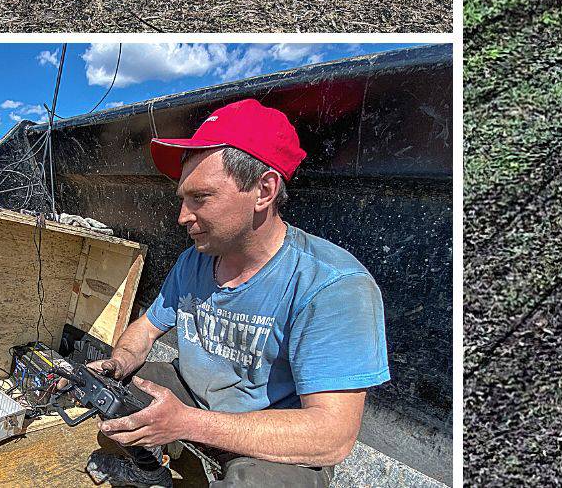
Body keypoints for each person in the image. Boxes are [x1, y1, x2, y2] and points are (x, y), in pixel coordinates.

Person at [83, 98, 390, 488]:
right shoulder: (194, 260)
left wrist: (186, 422)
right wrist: (119, 364)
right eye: (182, 199)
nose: (182, 216)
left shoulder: (332, 286)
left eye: (201, 198)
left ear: (264, 190)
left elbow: (332, 436)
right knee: (112, 392)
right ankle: (151, 472)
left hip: (267, 435)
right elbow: (145, 329)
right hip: (192, 400)